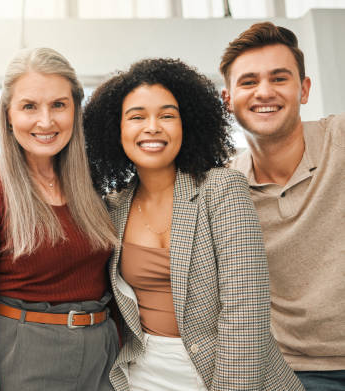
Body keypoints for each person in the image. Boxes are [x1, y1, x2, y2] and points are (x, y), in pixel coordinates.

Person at [84, 58, 304, 391]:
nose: (153, 127)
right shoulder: (112, 207)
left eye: (167, 115)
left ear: (187, 125)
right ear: (117, 129)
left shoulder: (222, 189)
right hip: (144, 374)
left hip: (227, 370)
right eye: (137, 117)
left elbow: (246, 309)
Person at [0, 47, 119, 391]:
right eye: (29, 106)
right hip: (27, 356)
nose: (46, 121)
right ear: (8, 115)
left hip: (102, 355)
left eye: (59, 105)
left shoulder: (92, 184)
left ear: (76, 109)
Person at [222, 22, 345, 390]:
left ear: (303, 90)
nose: (264, 92)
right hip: (294, 372)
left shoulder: (339, 140)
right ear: (227, 100)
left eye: (279, 78)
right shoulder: (225, 186)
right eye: (248, 82)